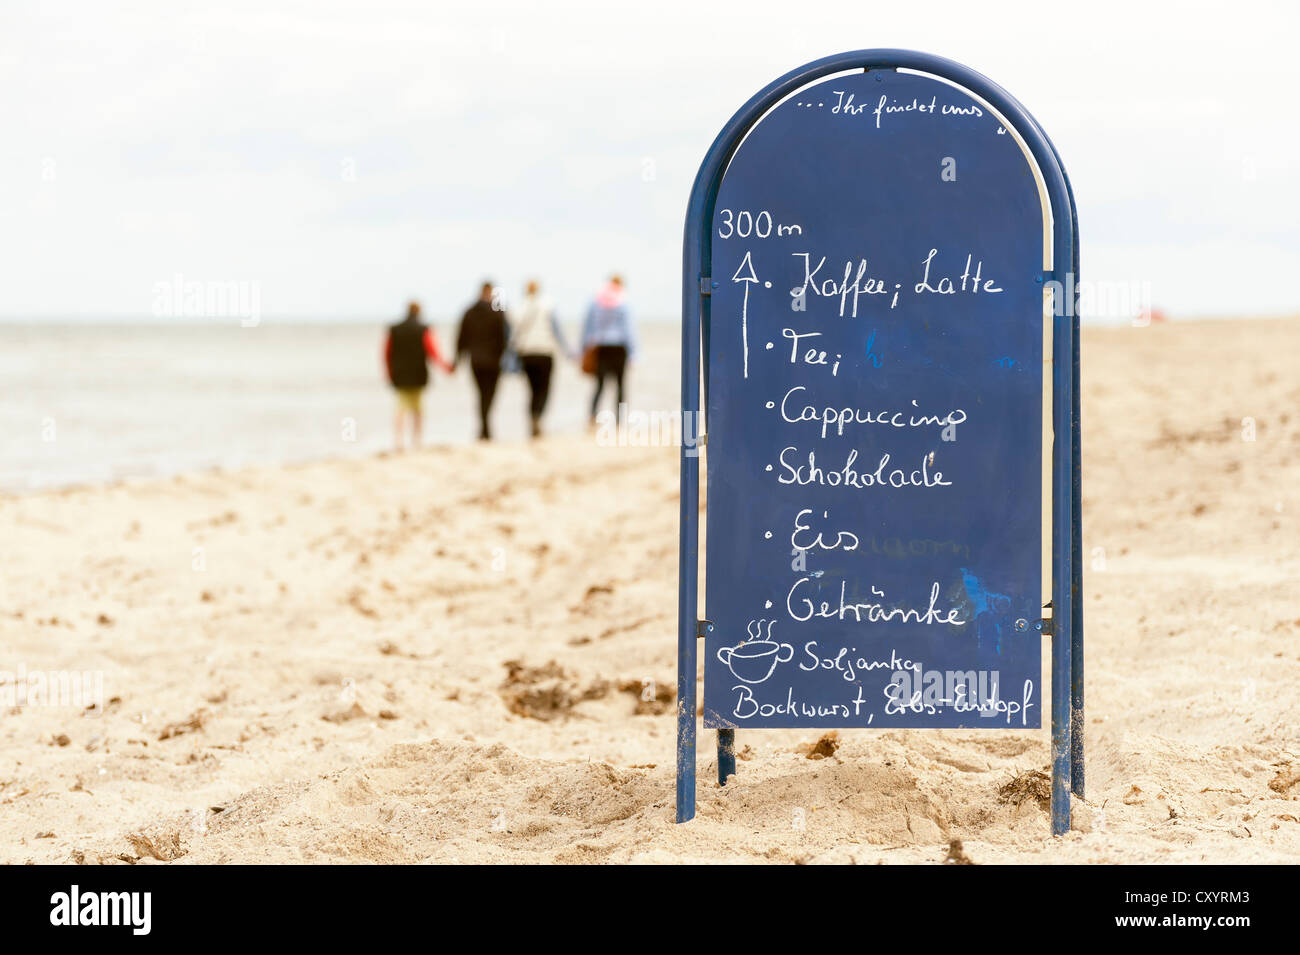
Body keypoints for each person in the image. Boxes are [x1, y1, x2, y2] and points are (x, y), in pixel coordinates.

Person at [384, 301, 452, 450]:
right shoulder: (423, 329)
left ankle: (398, 441)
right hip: (418, 374)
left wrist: (388, 372)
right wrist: (446, 367)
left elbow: (387, 353)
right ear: (419, 312)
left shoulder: (395, 329)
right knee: (418, 409)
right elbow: (432, 352)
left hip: (399, 374)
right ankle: (416, 441)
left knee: (401, 408)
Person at [508, 279, 571, 438]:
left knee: (532, 389)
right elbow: (557, 332)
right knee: (544, 389)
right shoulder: (548, 306)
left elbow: (511, 333)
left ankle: (533, 418)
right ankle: (538, 416)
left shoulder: (518, 308)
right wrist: (568, 351)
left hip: (526, 353)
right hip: (544, 352)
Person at [455, 281, 509, 440]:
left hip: (476, 360)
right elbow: (505, 335)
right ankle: (485, 427)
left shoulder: (469, 311)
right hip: (493, 360)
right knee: (489, 394)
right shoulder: (497, 311)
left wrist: (458, 359)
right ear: (490, 293)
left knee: (481, 394)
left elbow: (461, 337)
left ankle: (484, 427)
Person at [581, 274, 636, 426]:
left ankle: (592, 416)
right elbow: (629, 330)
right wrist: (634, 353)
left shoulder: (596, 301)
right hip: (619, 348)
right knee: (620, 385)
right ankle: (619, 419)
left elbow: (588, 327)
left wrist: (583, 349)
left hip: (601, 347)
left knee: (599, 384)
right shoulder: (624, 302)